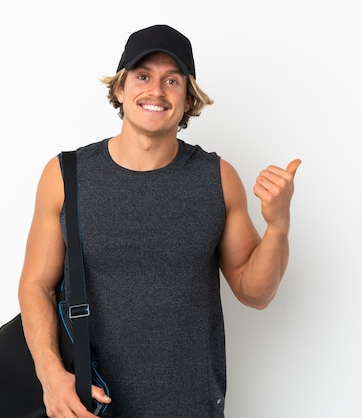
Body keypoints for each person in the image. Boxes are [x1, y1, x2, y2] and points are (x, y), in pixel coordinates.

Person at [17, 24, 301, 417]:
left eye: (172, 80)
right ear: (120, 89)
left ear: (188, 100)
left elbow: (255, 293)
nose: (156, 91)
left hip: (189, 406)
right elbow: (36, 286)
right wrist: (51, 376)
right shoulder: (66, 176)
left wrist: (278, 226)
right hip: (88, 403)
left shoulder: (217, 178)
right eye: (143, 76)